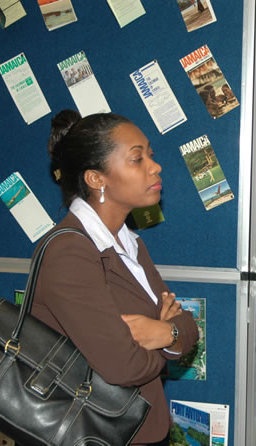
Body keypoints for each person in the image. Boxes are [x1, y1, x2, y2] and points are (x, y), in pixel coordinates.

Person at [32, 110, 199, 445]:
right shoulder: (69, 253)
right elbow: (125, 367)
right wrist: (169, 338)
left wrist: (164, 332)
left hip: (143, 431)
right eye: (137, 159)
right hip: (96, 435)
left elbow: (189, 328)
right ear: (97, 179)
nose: (155, 166)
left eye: (150, 154)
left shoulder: (128, 242)